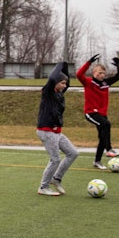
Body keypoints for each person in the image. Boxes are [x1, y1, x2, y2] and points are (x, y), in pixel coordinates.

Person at [36, 61, 79, 196]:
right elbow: (53, 78)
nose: (65, 86)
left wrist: (65, 68)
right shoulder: (48, 91)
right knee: (55, 159)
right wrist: (61, 64)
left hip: (56, 132)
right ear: (55, 83)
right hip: (46, 131)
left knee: (73, 153)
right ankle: (43, 187)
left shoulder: (59, 93)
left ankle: (56, 179)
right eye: (62, 83)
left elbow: (66, 82)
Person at [76, 54, 119, 170]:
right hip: (91, 113)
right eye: (99, 73)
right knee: (106, 124)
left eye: (103, 73)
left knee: (103, 137)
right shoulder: (88, 82)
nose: (102, 75)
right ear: (94, 73)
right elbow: (79, 74)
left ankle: (97, 161)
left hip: (102, 114)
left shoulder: (105, 83)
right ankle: (109, 149)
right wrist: (89, 62)